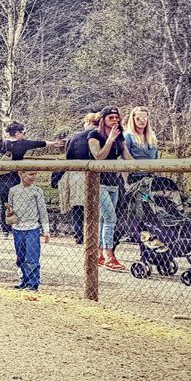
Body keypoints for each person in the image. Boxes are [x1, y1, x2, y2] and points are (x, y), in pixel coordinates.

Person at [87, 107, 133, 271]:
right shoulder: (94, 135)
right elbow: (99, 157)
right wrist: (110, 140)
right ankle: (109, 255)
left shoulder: (119, 135)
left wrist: (143, 166)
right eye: (111, 117)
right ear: (103, 119)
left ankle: (98, 254)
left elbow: (127, 157)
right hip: (98, 182)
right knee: (111, 218)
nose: (115, 120)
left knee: (104, 219)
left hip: (114, 181)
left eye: (117, 117)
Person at [0, 121, 57, 236]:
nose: (24, 135)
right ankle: (16, 227)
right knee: (16, 202)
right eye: (23, 132)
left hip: (0, 177)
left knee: (5, 203)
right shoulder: (22, 144)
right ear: (17, 133)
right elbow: (38, 143)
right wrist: (53, 143)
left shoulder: (1, 143)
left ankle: (5, 230)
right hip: (15, 177)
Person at [59, 112, 99, 246]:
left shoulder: (76, 137)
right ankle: (94, 234)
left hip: (78, 173)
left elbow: (69, 156)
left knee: (78, 207)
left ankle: (79, 235)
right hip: (98, 173)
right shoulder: (102, 135)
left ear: (88, 122)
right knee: (94, 206)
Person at [8, 170, 51, 291]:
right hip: (17, 228)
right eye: (30, 174)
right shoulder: (13, 190)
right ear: (21, 173)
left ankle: (33, 283)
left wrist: (46, 229)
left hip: (32, 228)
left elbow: (42, 211)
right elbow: (10, 207)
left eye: (35, 174)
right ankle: (23, 279)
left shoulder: (37, 191)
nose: (34, 177)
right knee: (20, 256)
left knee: (32, 257)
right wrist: (9, 216)